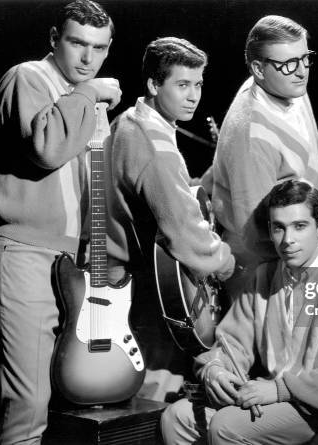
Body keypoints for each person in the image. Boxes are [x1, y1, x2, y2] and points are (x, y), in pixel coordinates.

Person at [0, 1, 120, 443]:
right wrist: (89, 93)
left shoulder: (85, 100)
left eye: (99, 48)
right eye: (77, 42)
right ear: (53, 39)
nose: (87, 58)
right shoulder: (29, 77)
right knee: (28, 403)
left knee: (62, 402)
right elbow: (46, 148)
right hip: (25, 252)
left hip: (66, 260)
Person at [161, 179, 318, 445]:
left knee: (225, 427)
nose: (288, 240)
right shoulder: (264, 276)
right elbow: (231, 343)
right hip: (270, 396)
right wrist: (216, 370)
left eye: (299, 226)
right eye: (279, 228)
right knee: (177, 417)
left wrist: (279, 390)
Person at [105, 37, 235, 402]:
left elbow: (168, 193)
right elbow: (183, 231)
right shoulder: (153, 143)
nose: (193, 95)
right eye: (182, 85)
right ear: (153, 84)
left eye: (198, 84)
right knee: (152, 392)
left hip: (124, 279)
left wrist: (207, 180)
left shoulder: (131, 122)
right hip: (141, 287)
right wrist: (226, 262)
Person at [211, 15, 318, 270]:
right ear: (258, 69)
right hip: (264, 262)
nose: (302, 70)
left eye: (305, 58)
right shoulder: (252, 133)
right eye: (290, 63)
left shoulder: (287, 85)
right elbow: (254, 233)